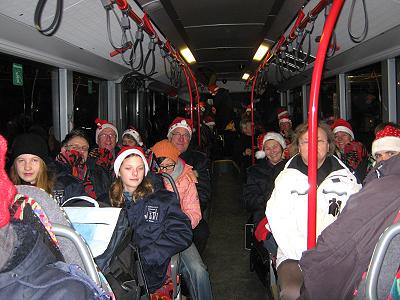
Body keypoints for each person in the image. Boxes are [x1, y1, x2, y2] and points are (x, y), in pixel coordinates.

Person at [298, 125, 400, 299]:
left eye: (390, 154)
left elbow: (345, 233)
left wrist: (312, 257)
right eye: (379, 155)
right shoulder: (287, 176)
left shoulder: (372, 182)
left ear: (328, 145)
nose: (383, 160)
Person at [0, 134, 106, 300]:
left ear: (43, 163)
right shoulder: (7, 196)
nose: (27, 167)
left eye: (34, 160)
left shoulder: (65, 186)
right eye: (21, 160)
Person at [265, 122, 361, 300]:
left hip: (335, 254)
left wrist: (330, 252)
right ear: (298, 147)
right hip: (295, 255)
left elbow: (355, 219)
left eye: (319, 141)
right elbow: (279, 220)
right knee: (294, 292)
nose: (313, 146)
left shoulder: (346, 180)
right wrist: (307, 253)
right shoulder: (286, 179)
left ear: (328, 145)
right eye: (305, 142)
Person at [110, 146, 192, 293]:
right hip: (115, 273)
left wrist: (149, 256)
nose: (135, 173)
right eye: (129, 168)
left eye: (140, 168)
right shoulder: (107, 202)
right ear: (118, 172)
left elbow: (182, 232)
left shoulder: (162, 200)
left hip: (148, 273)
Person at [167, 117, 211, 254]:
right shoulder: (158, 157)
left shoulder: (199, 160)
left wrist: (186, 213)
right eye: (177, 135)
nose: (181, 139)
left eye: (185, 135)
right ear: (169, 138)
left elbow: (203, 192)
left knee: (201, 232)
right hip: (163, 212)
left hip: (189, 211)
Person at [54, 129, 111, 205]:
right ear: (64, 149)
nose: (81, 151)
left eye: (84, 148)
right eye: (75, 147)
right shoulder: (54, 171)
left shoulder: (99, 172)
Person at [242, 132, 287, 224]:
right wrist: (269, 200)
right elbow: (249, 200)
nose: (272, 151)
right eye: (268, 149)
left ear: (282, 148)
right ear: (264, 152)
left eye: (275, 147)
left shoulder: (291, 168)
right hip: (264, 218)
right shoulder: (255, 171)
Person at [331, 118, 369, 182]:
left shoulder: (358, 150)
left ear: (351, 138)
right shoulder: (332, 155)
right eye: (336, 136)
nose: (340, 139)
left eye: (344, 135)